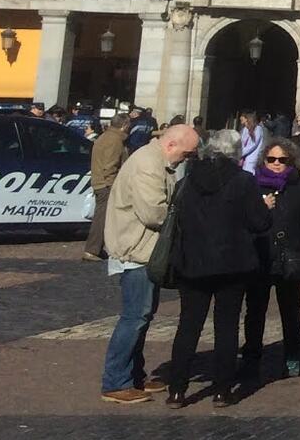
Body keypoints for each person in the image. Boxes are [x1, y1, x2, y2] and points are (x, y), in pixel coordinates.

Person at [165, 130, 271, 407]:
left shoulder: (187, 180)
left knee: (188, 326)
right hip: (231, 265)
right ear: (236, 153)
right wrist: (265, 208)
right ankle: (222, 390)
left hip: (192, 263)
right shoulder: (243, 181)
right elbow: (260, 223)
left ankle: (176, 390)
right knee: (226, 328)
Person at [99, 123, 199, 405]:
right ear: (171, 145)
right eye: (187, 153)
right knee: (135, 316)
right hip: (136, 251)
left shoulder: (156, 161)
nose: (186, 159)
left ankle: (134, 375)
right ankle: (116, 381)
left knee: (142, 316)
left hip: (144, 249)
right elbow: (154, 213)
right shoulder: (148, 164)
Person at [239, 136, 300, 385]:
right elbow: (242, 220)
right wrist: (262, 208)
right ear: (264, 159)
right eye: (271, 159)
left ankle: (293, 355)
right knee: (255, 311)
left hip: (290, 257)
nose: (276, 164)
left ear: (291, 161)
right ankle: (251, 356)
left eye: (282, 160)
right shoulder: (251, 185)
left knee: (291, 310)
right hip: (259, 256)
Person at [84, 112, 132, 261]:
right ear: (124, 126)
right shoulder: (115, 140)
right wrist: (113, 187)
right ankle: (92, 250)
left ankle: (97, 249)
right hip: (106, 184)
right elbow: (110, 166)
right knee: (102, 218)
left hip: (101, 182)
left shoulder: (105, 137)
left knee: (103, 217)